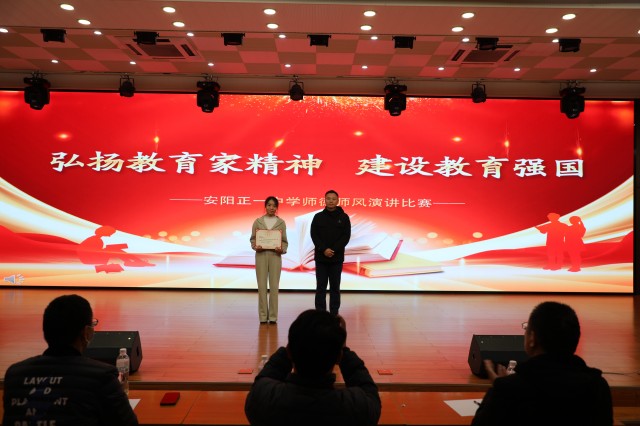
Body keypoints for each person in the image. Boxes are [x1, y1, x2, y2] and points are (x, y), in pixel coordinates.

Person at [2, 294, 139, 426]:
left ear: (45, 331)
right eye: (93, 325)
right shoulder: (102, 377)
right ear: (87, 333)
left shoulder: (15, 375)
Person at [471, 301, 613, 426]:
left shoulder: (509, 389)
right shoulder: (598, 386)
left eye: (527, 329)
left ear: (532, 338)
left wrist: (499, 388)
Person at [244, 309, 380, 426]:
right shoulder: (357, 409)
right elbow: (368, 391)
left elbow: (264, 379)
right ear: (339, 357)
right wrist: (344, 350)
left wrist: (291, 346)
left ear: (289, 351)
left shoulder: (263, 400)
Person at [310, 190, 351, 315]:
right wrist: (324, 249)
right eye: (328, 198)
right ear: (325, 200)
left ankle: (334, 313)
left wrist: (333, 250)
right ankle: (320, 313)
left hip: (336, 258)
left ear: (337, 201)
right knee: (320, 287)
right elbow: (314, 235)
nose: (331, 201)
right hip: (321, 258)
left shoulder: (344, 217)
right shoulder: (318, 217)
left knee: (335, 287)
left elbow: (346, 236)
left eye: (333, 199)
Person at [250, 196, 288, 324]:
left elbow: (284, 241)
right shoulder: (258, 222)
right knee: (261, 286)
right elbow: (253, 239)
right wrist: (255, 246)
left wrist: (281, 249)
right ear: (265, 206)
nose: (271, 208)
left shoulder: (281, 222)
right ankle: (262, 316)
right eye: (269, 205)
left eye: (274, 206)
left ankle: (272, 317)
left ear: (277, 208)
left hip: (275, 256)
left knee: (274, 287)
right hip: (261, 255)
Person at [77, 225, 154, 273]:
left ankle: (132, 261)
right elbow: (93, 252)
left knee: (115, 249)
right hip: (91, 260)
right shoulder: (95, 240)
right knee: (115, 249)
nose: (110, 235)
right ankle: (136, 261)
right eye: (110, 233)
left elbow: (94, 251)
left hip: (89, 259)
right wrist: (109, 249)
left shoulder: (94, 239)